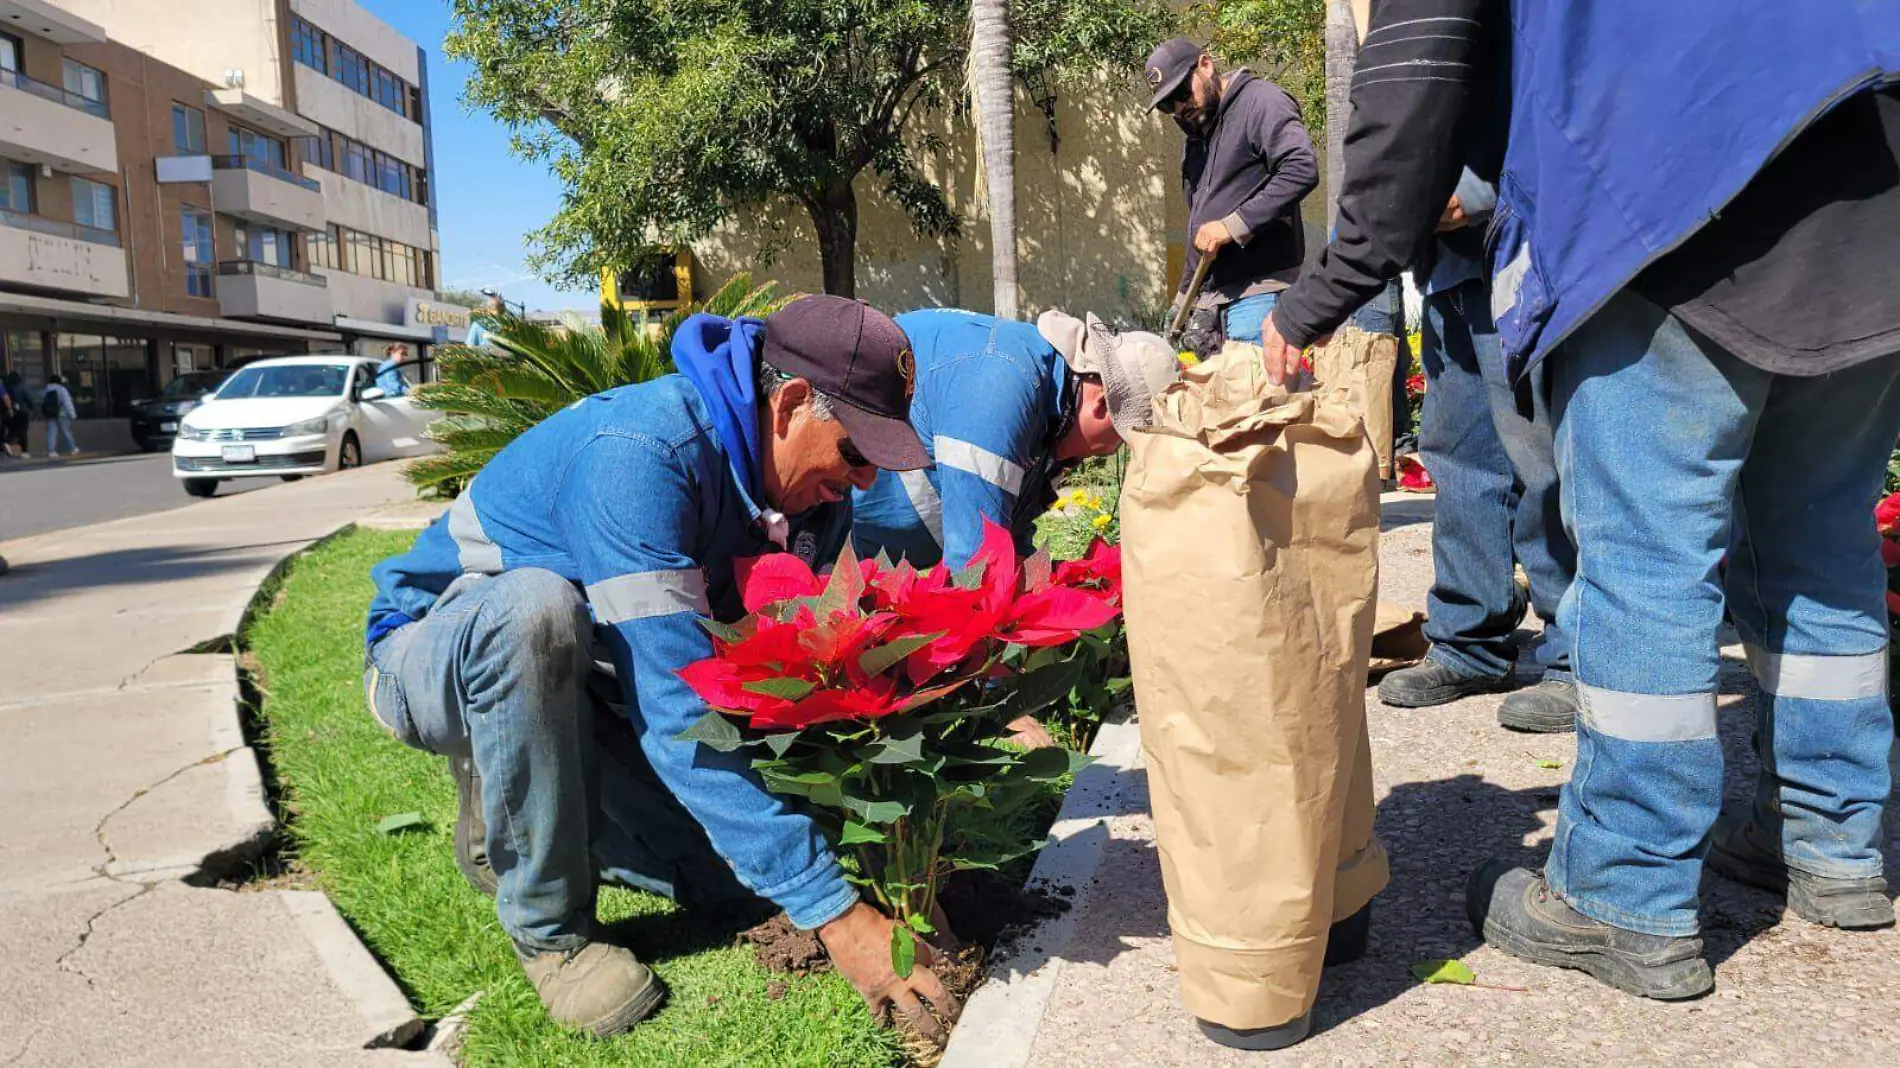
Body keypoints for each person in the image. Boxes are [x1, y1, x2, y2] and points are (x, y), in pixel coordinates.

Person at [1255, 0, 1900, 1002]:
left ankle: (1626, 891)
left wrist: (1326, 289)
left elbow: (1419, 62)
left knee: (1647, 557)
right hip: (1876, 179)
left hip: (1677, 190)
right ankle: (1831, 844)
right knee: (1821, 532)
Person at [363, 295, 958, 1039]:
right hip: (428, 655)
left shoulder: (810, 497)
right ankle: (551, 934)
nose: (866, 480)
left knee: (729, 884)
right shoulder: (639, 455)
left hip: (594, 674)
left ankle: (543, 799)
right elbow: (678, 711)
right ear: (793, 404)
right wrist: (834, 911)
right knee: (536, 612)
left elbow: (768, 675)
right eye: (857, 451)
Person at [1373, 170, 1579, 734]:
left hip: (1518, 256)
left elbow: (1537, 102)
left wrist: (1480, 189)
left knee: (1539, 460)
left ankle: (1574, 653)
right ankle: (1471, 642)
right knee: (1459, 458)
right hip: (1445, 270)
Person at [851, 308, 1181, 570]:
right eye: (1120, 440)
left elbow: (1008, 535)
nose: (1109, 452)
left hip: (872, 556)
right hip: (832, 532)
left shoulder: (1050, 401)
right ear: (1101, 407)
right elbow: (976, 566)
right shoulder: (1002, 387)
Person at [1145, 36, 1318, 347]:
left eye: (1183, 92)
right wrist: (1183, 298)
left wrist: (1231, 225)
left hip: (1260, 295)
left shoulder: (1261, 101)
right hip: (1217, 301)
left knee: (1263, 396)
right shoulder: (1196, 140)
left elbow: (1301, 168)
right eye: (1168, 105)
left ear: (1206, 65)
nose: (1180, 107)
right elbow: (1201, 229)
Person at [41, 375, 77, 457]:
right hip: (62, 413)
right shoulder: (62, 389)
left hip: (50, 413)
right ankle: (72, 448)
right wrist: (72, 414)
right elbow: (67, 402)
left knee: (51, 432)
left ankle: (51, 451)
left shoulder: (46, 389)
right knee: (66, 431)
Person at [4, 373, 28, 457]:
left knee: (12, 431)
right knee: (22, 433)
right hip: (21, 413)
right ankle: (24, 451)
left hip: (7, 414)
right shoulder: (21, 388)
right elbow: (29, 399)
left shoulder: (6, 387)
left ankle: (7, 443)